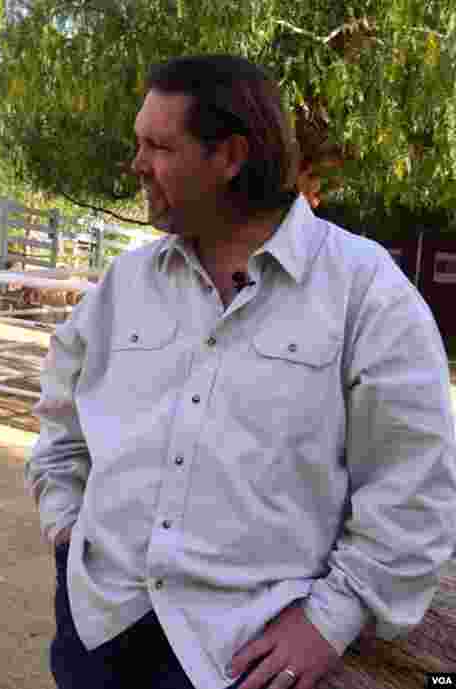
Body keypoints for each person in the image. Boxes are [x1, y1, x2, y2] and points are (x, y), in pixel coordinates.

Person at [25, 54, 456, 689]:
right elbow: (60, 424)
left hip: (239, 658)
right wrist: (67, 529)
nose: (137, 164)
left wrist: (329, 621)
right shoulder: (127, 284)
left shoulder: (367, 294)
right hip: (100, 629)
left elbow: (413, 485)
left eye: (157, 145)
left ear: (229, 156)